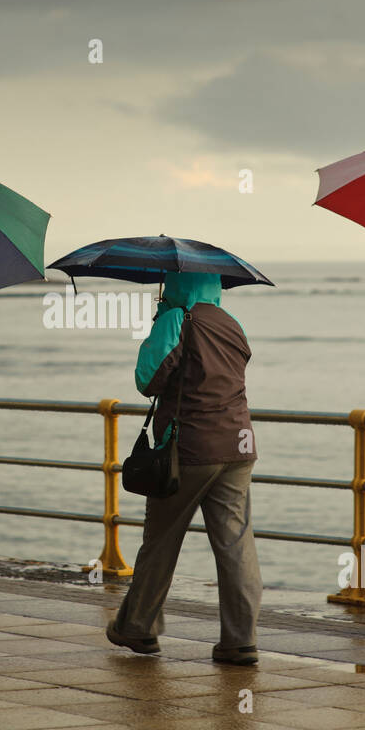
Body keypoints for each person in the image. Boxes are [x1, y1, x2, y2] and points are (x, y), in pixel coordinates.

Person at [107, 272, 262, 665]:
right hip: (238, 444)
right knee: (236, 545)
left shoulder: (178, 318)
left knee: (161, 541)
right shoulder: (232, 323)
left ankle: (138, 629)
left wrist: (159, 322)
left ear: (177, 284)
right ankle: (240, 642)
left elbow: (148, 379)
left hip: (189, 448)